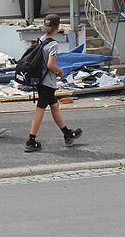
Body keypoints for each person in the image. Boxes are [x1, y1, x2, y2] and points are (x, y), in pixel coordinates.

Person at [25, 14, 82, 152]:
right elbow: (51, 64)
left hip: (39, 80)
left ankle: (67, 134)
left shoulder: (41, 40)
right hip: (47, 82)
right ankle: (30, 141)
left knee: (55, 106)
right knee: (40, 109)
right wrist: (60, 71)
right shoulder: (53, 44)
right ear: (57, 28)